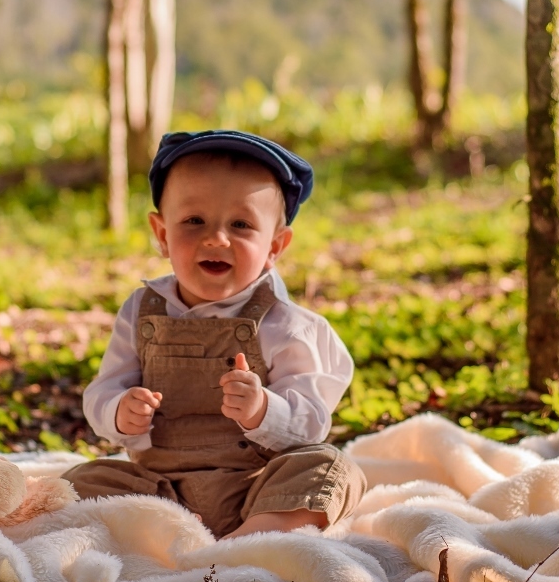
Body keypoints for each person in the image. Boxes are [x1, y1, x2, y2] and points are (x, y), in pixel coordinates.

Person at [65, 129, 366, 539]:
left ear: (275, 246)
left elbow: (311, 421)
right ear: (162, 234)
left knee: (330, 469)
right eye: (194, 220)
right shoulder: (141, 311)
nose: (215, 238)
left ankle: (249, 540)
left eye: (241, 224)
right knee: (80, 482)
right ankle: (168, 537)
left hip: (255, 489)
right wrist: (120, 410)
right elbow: (101, 393)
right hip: (159, 490)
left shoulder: (287, 324)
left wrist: (263, 408)